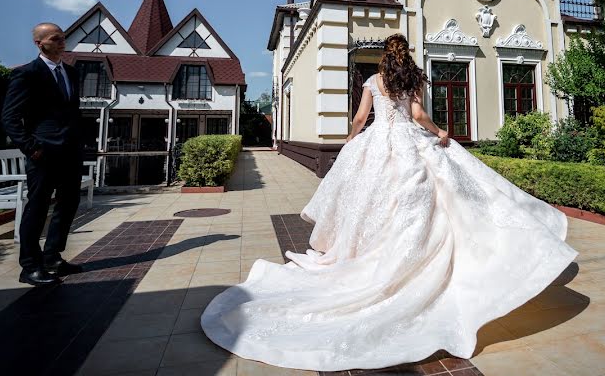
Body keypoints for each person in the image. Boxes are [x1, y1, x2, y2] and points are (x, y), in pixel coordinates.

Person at [202, 34, 577, 370]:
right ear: (406, 57)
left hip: (378, 144)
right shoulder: (412, 80)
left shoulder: (373, 81)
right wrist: (440, 132)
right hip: (410, 145)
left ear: (384, 57)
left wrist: (351, 139)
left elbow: (363, 117)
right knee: (422, 202)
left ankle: (363, 251)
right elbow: (417, 115)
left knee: (368, 201)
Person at [2, 22, 85, 286]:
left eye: (63, 37)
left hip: (70, 151)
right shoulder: (28, 74)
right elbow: (10, 117)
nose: (62, 42)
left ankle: (52, 257)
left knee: (68, 204)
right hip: (44, 153)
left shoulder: (71, 73)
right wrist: (31, 147)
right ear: (39, 43)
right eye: (56, 38)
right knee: (37, 208)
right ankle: (30, 266)